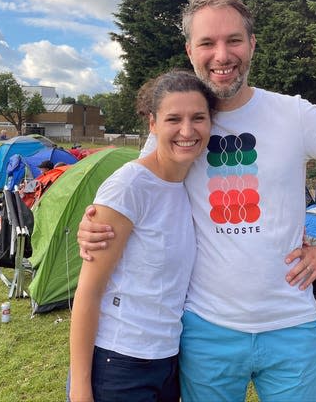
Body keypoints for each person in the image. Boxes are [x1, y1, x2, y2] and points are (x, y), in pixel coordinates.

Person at [77, 0, 316, 402]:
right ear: (190, 51)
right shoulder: (178, 126)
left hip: (290, 325)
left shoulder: (295, 115)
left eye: (233, 40)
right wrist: (93, 223)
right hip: (206, 330)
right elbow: (139, 190)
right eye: (207, 42)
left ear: (252, 44)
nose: (222, 55)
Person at [68, 70, 215, 402]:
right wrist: (80, 389)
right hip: (118, 362)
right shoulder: (130, 186)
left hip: (167, 361)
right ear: (153, 123)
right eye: (173, 119)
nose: (187, 130)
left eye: (198, 118)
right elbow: (88, 294)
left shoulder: (190, 182)